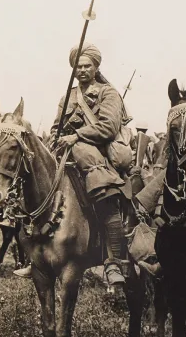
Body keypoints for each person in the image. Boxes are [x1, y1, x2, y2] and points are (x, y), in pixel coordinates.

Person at [51, 43, 130, 286]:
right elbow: (56, 127)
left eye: (87, 66)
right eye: (78, 66)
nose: (82, 70)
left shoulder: (108, 93)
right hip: (66, 156)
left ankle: (114, 261)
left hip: (99, 155)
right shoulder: (68, 96)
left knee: (104, 193)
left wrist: (76, 137)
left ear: (96, 68)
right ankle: (38, 256)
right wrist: (56, 138)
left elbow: (108, 127)